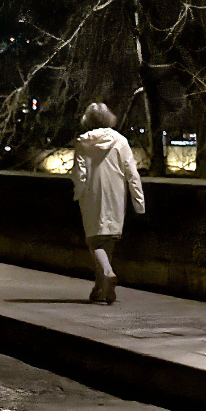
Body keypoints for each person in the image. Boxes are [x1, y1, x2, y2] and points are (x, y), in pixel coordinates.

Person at [71, 102, 144, 304]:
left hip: (92, 196)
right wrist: (139, 202)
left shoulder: (83, 142)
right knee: (108, 240)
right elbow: (132, 173)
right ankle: (102, 290)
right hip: (115, 195)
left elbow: (80, 173)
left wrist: (79, 194)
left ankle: (107, 274)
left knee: (94, 241)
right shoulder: (121, 141)